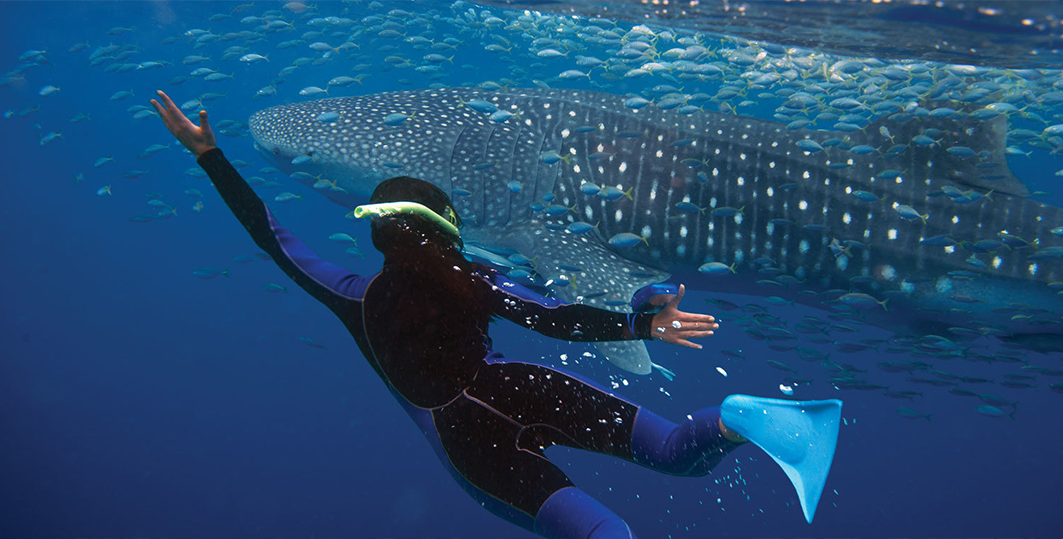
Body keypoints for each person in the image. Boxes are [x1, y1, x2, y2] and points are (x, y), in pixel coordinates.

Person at [151, 90, 843, 539]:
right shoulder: (478, 277)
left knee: (604, 533)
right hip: (526, 386)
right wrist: (638, 317)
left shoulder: (353, 295)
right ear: (446, 223)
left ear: (375, 229)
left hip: (471, 440)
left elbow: (274, 239)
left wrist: (212, 158)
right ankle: (739, 416)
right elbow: (558, 316)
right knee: (672, 451)